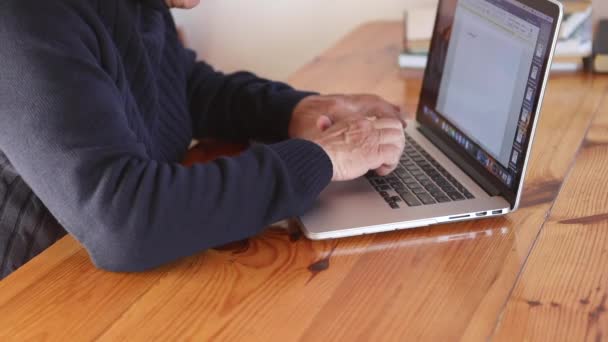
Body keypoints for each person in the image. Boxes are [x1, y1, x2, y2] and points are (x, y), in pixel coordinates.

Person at [0, 0, 405, 279]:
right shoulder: (23, 16)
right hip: (33, 287)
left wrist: (293, 111)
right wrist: (321, 159)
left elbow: (179, 86)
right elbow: (123, 221)